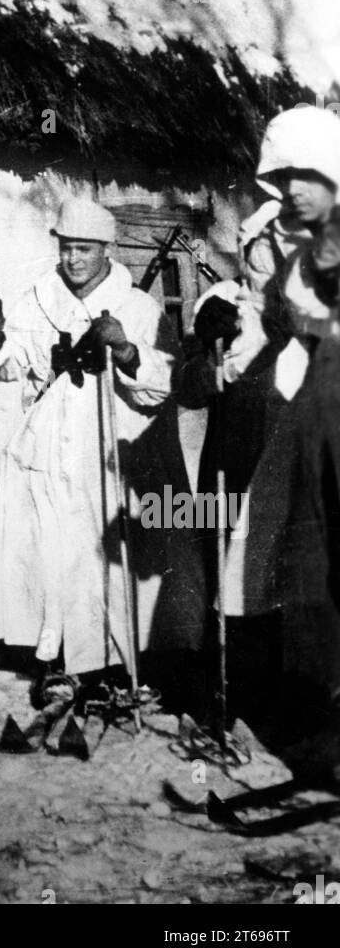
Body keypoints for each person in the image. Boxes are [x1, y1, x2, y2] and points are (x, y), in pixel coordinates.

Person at [0, 197, 174, 708]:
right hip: (43, 451)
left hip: (104, 455)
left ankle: (109, 666)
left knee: (100, 563)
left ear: (105, 249)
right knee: (47, 559)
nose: (73, 259)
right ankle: (54, 662)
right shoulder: (36, 301)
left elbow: (163, 385)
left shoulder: (140, 308)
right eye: (66, 248)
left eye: (84, 249)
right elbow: (4, 365)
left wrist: (127, 352)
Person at [177, 105, 340, 734]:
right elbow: (254, 303)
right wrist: (216, 312)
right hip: (272, 406)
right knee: (248, 546)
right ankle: (252, 689)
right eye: (284, 172)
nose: (295, 186)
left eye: (309, 172)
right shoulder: (268, 230)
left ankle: (309, 690)